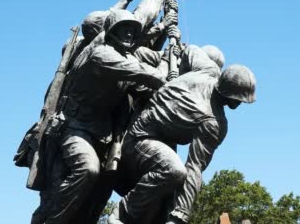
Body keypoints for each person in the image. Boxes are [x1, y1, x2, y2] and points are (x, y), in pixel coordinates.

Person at [43, 9, 169, 224]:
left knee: (102, 190)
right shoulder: (102, 54)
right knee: (88, 169)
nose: (129, 34)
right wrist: (167, 60)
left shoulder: (125, 57)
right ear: (111, 32)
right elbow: (148, 75)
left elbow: (142, 87)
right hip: (75, 127)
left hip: (103, 134)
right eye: (123, 29)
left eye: (132, 30)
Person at [109, 45, 256, 224]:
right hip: (140, 137)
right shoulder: (213, 123)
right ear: (231, 95)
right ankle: (121, 214)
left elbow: (189, 49)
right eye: (239, 99)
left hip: (159, 139)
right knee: (173, 171)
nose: (239, 104)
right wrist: (179, 218)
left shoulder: (207, 69)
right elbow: (194, 169)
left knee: (170, 195)